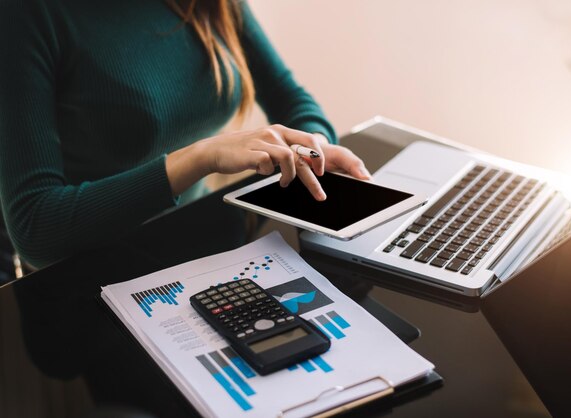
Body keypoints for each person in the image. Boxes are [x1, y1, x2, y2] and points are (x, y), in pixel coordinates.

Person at [0, 0, 370, 269]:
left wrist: (314, 146)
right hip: (86, 275)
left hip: (196, 246)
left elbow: (290, 97)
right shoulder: (25, 14)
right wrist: (200, 157)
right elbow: (35, 228)